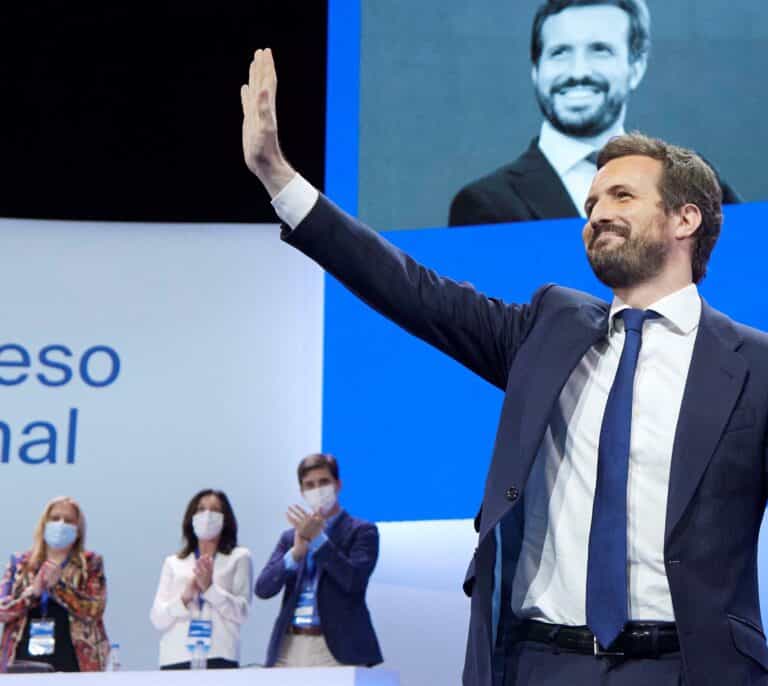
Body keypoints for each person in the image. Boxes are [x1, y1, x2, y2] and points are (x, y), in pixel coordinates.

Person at [241, 49, 768, 686]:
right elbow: (412, 289)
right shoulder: (549, 329)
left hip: (691, 668)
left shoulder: (753, 366)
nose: (597, 213)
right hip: (538, 664)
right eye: (593, 199)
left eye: (622, 195)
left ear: (686, 219)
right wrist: (279, 179)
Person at [448, 0, 740, 227]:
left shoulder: (698, 183)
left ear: (636, 67)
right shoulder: (484, 206)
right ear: (536, 69)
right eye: (559, 52)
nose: (578, 72)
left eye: (600, 50)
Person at [255, 453, 382, 668]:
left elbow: (353, 581)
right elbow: (263, 588)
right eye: (310, 485)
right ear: (303, 492)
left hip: (336, 648)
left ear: (338, 484)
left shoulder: (362, 531)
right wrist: (295, 554)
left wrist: (318, 540)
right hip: (289, 646)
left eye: (324, 482)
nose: (317, 490)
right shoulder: (290, 537)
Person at [0, 496, 109, 672]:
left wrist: (59, 588)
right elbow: (2, 611)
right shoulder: (20, 563)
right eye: (55, 518)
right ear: (44, 524)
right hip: (21, 660)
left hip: (75, 661)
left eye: (68, 520)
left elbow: (94, 610)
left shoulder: (90, 563)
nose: (61, 524)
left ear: (78, 529)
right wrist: (32, 593)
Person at [150, 489, 252, 669]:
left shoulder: (239, 557)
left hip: (220, 655)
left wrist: (210, 589)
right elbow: (158, 618)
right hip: (176, 656)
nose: (207, 515)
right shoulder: (173, 562)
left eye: (215, 510)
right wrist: (184, 598)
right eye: (201, 509)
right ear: (191, 517)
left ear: (225, 519)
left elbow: (241, 613)